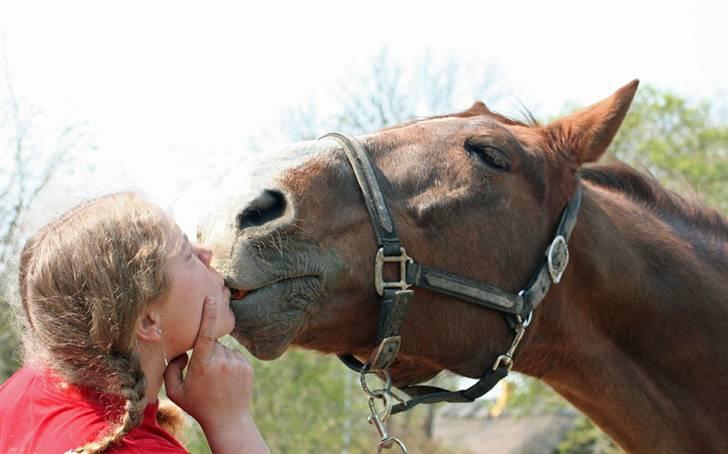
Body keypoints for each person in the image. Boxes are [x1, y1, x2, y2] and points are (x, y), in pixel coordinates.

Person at [0, 192, 268, 453]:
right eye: (186, 254)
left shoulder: (24, 390)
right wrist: (233, 425)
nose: (206, 254)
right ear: (149, 322)